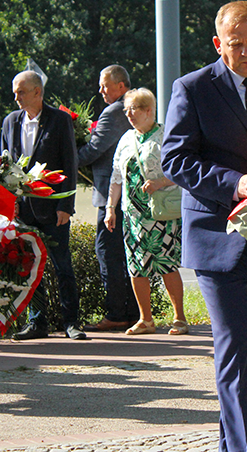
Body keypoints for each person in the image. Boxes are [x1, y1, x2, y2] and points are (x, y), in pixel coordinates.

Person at [162, 0, 247, 452]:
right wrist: (235, 182)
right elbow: (175, 159)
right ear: (218, 44)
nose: (246, 52)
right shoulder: (192, 88)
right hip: (217, 241)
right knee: (237, 352)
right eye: (235, 44)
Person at [1, 71, 85, 341]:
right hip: (23, 208)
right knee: (29, 266)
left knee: (62, 266)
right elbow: (5, 166)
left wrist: (65, 205)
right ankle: (37, 323)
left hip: (52, 208)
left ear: (38, 92)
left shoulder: (59, 120)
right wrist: (8, 204)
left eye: (21, 92)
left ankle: (71, 322)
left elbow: (69, 163)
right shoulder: (10, 122)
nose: (16, 97)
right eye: (15, 92)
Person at [104, 87, 186, 336]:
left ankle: (180, 318)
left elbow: (181, 169)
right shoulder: (126, 139)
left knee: (166, 263)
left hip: (160, 212)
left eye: (134, 109)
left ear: (148, 110)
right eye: (127, 110)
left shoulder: (165, 136)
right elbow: (116, 177)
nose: (129, 114)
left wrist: (161, 182)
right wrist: (111, 208)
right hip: (133, 214)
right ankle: (145, 320)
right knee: (136, 266)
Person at [78, 65, 139, 333]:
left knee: (108, 253)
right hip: (126, 195)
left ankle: (117, 313)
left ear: (121, 86)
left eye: (105, 85)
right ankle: (131, 312)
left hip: (111, 197)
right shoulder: (128, 109)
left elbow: (92, 151)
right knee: (124, 255)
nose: (101, 90)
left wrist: (65, 155)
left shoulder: (115, 112)